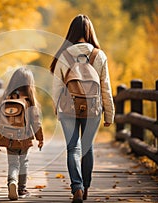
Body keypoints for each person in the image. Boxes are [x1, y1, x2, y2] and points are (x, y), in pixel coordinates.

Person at [50, 14, 115, 203]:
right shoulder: (99, 55)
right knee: (87, 148)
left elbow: (56, 88)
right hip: (93, 108)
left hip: (68, 108)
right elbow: (106, 87)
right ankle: (86, 188)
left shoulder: (64, 55)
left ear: (72, 31)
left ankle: (76, 187)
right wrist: (109, 114)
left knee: (72, 149)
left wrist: (57, 109)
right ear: (90, 32)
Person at [0, 67, 44, 201]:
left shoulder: (6, 97)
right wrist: (40, 138)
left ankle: (12, 182)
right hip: (24, 138)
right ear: (29, 83)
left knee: (12, 163)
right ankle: (22, 189)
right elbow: (36, 122)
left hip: (8, 138)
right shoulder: (29, 100)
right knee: (24, 162)